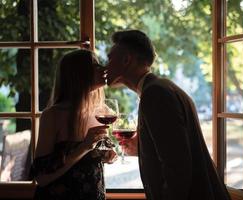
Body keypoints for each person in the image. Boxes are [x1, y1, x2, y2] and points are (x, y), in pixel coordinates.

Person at [106, 30, 231, 200]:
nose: (105, 66)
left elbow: (177, 167)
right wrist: (143, 147)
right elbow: (175, 150)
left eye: (109, 58)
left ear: (127, 60)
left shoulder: (155, 94)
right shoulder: (161, 87)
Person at [31, 49, 117, 200]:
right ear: (78, 74)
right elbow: (41, 177)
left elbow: (91, 161)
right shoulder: (52, 115)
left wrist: (107, 156)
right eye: (95, 65)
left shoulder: (103, 112)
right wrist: (84, 147)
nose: (103, 69)